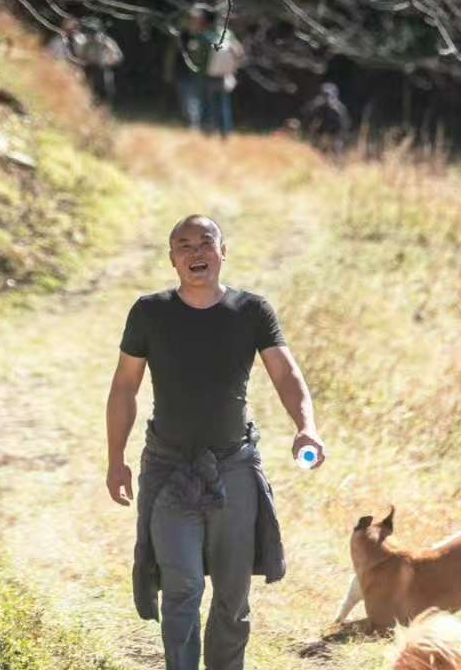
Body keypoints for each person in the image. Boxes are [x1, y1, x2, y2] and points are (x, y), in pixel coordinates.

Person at [105, 215, 325, 670]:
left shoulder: (251, 311)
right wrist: (116, 459)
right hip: (169, 469)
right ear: (172, 260)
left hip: (234, 467)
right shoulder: (150, 312)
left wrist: (306, 426)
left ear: (223, 253)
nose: (195, 252)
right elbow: (125, 386)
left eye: (205, 242)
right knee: (182, 586)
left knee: (232, 593)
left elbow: (285, 373)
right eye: (183, 245)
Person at [163, 6, 217, 131]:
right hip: (182, 74)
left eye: (195, 20)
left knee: (195, 101)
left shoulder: (206, 37)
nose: (193, 22)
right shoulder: (182, 35)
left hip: (199, 75)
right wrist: (169, 72)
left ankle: (197, 126)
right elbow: (172, 55)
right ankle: (195, 124)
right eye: (191, 20)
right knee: (188, 101)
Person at [204, 24, 245, 139]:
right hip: (226, 77)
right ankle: (225, 133)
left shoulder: (211, 38)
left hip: (213, 76)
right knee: (224, 106)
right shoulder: (232, 41)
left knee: (213, 105)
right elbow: (240, 56)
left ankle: (213, 131)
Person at [299, 81, 351, 156]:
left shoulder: (338, 108)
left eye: (328, 95)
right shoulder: (317, 105)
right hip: (321, 131)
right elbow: (306, 113)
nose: (326, 98)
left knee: (336, 148)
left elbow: (345, 124)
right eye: (324, 95)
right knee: (316, 149)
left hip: (335, 132)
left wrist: (341, 135)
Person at [80, 17, 124, 105]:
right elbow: (81, 56)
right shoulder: (86, 43)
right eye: (89, 34)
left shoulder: (106, 41)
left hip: (103, 68)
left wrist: (110, 60)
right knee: (87, 90)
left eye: (93, 34)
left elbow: (118, 56)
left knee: (106, 89)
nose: (91, 36)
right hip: (89, 69)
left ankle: (105, 108)